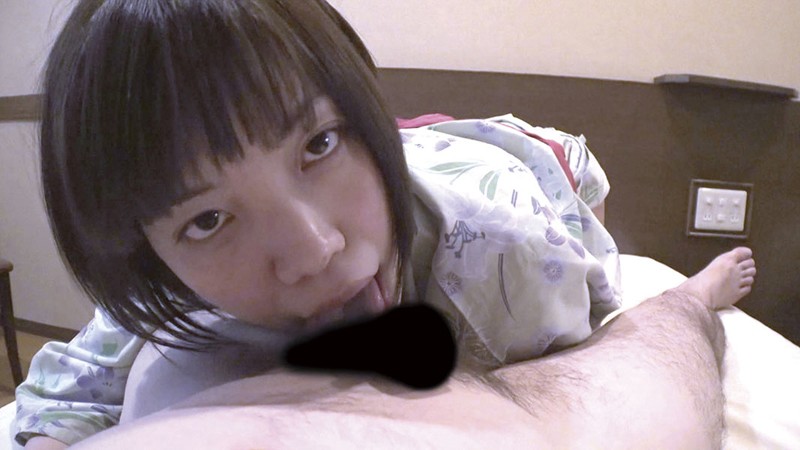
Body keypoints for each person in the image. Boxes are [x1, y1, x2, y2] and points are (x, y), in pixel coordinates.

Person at [13, 0, 756, 448]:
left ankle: (699, 287)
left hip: (520, 157)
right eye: (209, 219)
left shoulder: (507, 262)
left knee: (576, 197)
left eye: (318, 143)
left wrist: (679, 306)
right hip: (402, 148)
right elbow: (64, 387)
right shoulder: (172, 289)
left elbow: (597, 339)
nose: (315, 250)